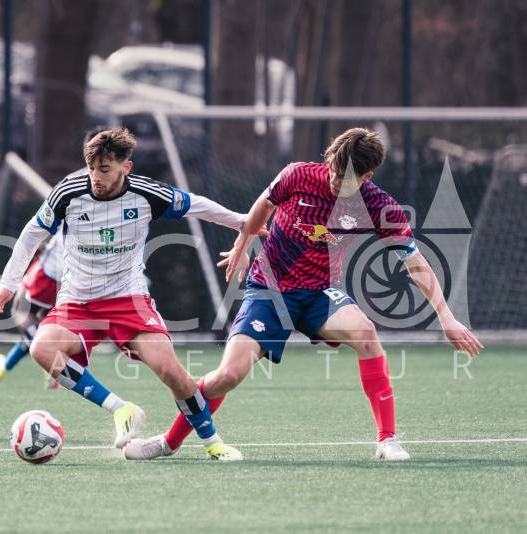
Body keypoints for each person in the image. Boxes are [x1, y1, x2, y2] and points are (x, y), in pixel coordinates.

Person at [125, 127, 483, 461]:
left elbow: (414, 261)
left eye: (345, 178)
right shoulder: (297, 175)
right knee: (228, 376)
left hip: (319, 293)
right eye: (333, 171)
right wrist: (241, 246)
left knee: (366, 332)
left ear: (367, 177)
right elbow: (263, 206)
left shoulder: (377, 205)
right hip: (269, 290)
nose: (334, 180)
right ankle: (169, 442)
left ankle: (387, 439)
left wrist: (446, 317)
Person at [0, 127, 247, 459]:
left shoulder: (147, 194)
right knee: (42, 348)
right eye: (91, 168)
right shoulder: (68, 193)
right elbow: (31, 234)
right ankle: (121, 408)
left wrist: (242, 222)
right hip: (78, 303)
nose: (95, 177)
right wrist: (8, 283)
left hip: (129, 301)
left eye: (104, 169)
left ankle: (213, 443)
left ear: (126, 167)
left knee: (173, 374)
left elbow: (197, 205)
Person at [0, 233, 63, 388]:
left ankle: (50, 367)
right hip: (60, 279)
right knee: (37, 332)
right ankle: (3, 369)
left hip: (49, 277)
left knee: (24, 317)